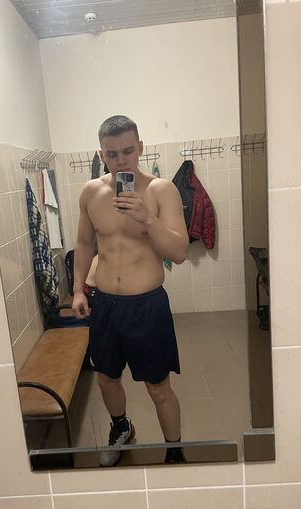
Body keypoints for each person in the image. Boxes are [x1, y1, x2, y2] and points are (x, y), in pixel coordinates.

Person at [72, 115, 189, 466]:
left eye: (127, 151)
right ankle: (121, 428)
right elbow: (83, 243)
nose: (121, 160)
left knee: (158, 388)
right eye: (112, 154)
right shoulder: (91, 192)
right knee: (106, 379)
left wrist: (148, 219)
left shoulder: (161, 190)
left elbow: (180, 252)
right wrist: (78, 290)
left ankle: (175, 451)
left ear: (140, 147)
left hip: (147, 305)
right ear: (101, 154)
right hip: (105, 303)